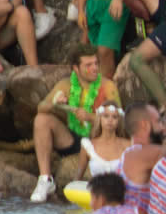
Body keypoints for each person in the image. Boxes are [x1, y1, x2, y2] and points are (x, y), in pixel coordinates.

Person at [30, 49, 123, 202]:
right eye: (88, 65)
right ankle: (45, 179)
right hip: (72, 139)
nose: (95, 68)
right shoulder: (66, 85)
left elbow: (120, 119)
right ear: (76, 68)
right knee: (41, 119)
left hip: (99, 141)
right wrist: (55, 103)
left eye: (96, 63)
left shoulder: (108, 86)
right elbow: (41, 107)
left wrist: (91, 117)